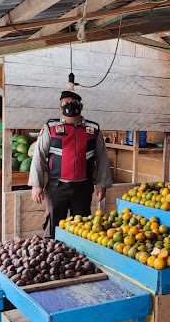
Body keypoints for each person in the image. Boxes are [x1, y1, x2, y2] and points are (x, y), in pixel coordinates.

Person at [28, 91, 112, 238]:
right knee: (53, 227)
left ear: (81, 106)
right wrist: (36, 184)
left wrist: (101, 184)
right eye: (66, 104)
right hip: (56, 188)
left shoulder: (93, 130)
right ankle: (51, 256)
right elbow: (39, 155)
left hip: (83, 188)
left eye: (73, 102)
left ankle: (78, 258)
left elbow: (102, 158)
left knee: (81, 230)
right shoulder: (51, 128)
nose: (70, 106)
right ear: (60, 109)